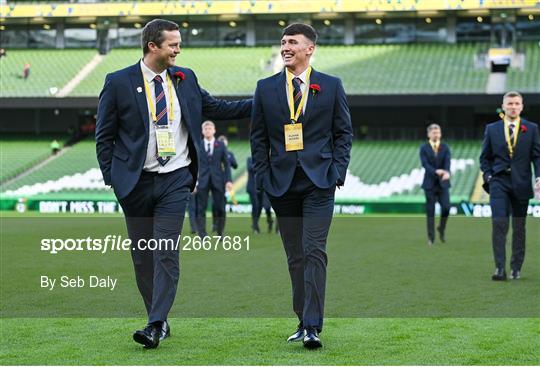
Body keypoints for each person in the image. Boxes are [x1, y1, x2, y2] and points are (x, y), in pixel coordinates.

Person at [95, 19, 251, 349]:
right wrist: (114, 179)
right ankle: (161, 317)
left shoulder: (186, 78)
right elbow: (104, 136)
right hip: (135, 184)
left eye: (179, 44)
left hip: (176, 179)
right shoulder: (119, 82)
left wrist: (264, 101)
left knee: (165, 250)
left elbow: (219, 108)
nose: (178, 50)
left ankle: (153, 324)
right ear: (153, 46)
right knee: (143, 257)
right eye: (173, 45)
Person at [250, 23, 352, 349]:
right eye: (282, 42)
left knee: (314, 251)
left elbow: (343, 134)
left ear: (310, 48)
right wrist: (263, 177)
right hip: (281, 185)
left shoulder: (332, 86)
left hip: (318, 183)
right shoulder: (265, 88)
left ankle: (312, 326)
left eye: (292, 41)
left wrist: (337, 172)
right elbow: (258, 139)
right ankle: (301, 319)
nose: (285, 47)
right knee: (295, 256)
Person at [480, 91, 540, 281]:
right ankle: (499, 268)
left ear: (521, 106)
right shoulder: (492, 129)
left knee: (519, 227)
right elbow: (484, 158)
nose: (513, 107)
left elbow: (537, 156)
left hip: (522, 183)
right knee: (499, 223)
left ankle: (516, 268)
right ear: (503, 106)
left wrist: (539, 176)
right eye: (509, 103)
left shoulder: (532, 129)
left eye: (516, 103)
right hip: (498, 182)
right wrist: (489, 176)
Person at [195, 121, 232, 238]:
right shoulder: (197, 145)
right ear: (202, 131)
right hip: (202, 180)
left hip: (218, 180)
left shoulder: (221, 145)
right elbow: (194, 165)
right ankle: (202, 234)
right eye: (205, 129)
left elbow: (226, 164)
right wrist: (194, 182)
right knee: (201, 208)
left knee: (220, 207)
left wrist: (228, 180)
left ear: (214, 130)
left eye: (210, 128)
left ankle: (220, 232)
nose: (208, 130)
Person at [419, 124, 451, 245]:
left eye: (438, 132)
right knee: (430, 211)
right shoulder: (424, 148)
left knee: (446, 208)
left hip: (443, 183)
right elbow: (425, 164)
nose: (436, 134)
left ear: (440, 134)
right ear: (429, 134)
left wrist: (447, 172)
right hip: (429, 184)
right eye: (433, 132)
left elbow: (448, 161)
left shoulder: (445, 147)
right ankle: (431, 238)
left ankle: (441, 229)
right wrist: (436, 171)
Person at [211, 135, 237, 231]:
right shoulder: (213, 153)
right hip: (216, 181)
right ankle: (214, 222)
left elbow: (235, 165)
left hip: (226, 182)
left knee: (222, 204)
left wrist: (228, 159)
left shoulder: (229, 154)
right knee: (214, 204)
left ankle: (221, 225)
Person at [247, 156, 274, 233]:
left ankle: (269, 222)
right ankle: (255, 225)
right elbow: (251, 168)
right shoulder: (250, 159)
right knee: (257, 206)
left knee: (267, 206)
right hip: (255, 187)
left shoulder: (267, 159)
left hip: (266, 185)